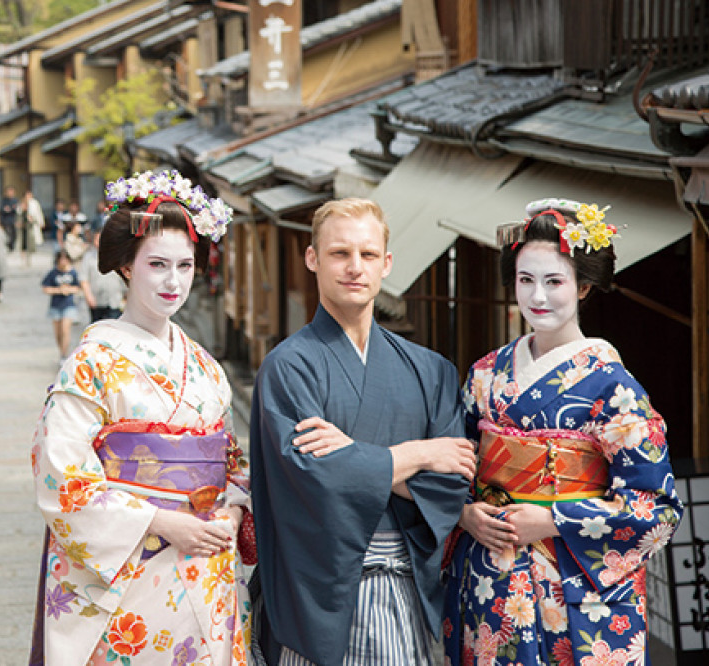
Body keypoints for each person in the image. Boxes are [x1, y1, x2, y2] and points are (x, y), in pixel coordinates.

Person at [441, 198, 684, 665]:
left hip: (570, 590)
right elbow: (455, 464)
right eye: (525, 280)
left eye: (555, 281)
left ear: (584, 286)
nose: (538, 297)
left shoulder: (614, 388)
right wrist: (465, 513)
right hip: (491, 581)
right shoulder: (486, 375)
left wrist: (552, 520)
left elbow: (657, 510)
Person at [29, 169, 250, 665]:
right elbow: (60, 472)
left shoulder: (207, 368)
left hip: (205, 566)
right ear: (127, 266)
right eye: (157, 264)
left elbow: (232, 464)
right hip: (133, 574)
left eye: (186, 266)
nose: (174, 281)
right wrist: (162, 522)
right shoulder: (92, 361)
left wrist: (233, 512)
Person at [249, 197, 477, 666]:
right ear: (312, 258)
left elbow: (452, 484)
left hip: (401, 582)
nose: (355, 267)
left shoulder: (429, 370)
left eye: (368, 255)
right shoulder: (288, 368)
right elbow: (315, 477)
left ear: (386, 263)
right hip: (316, 588)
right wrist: (417, 453)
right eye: (339, 253)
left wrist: (352, 455)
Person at [79, 220, 127, 323]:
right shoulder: (89, 257)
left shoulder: (117, 256)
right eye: (97, 239)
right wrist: (88, 296)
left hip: (114, 300)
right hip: (96, 300)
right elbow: (84, 279)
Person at [41, 250, 81, 363]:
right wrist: (59, 290)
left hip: (69, 305)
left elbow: (78, 287)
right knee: (58, 333)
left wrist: (68, 290)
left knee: (65, 329)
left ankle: (64, 354)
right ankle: (61, 351)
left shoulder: (73, 273)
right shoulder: (53, 273)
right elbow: (45, 288)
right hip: (55, 305)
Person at [21, 189, 45, 267]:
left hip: (32, 226)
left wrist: (41, 222)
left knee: (32, 242)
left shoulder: (34, 203)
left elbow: (38, 213)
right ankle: (24, 260)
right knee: (23, 244)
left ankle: (30, 259)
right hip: (24, 227)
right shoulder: (22, 203)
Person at [0, 186, 19, 251]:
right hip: (5, 221)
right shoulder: (4, 200)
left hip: (13, 220)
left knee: (14, 235)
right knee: (7, 235)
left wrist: (10, 209)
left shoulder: (15, 200)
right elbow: (2, 209)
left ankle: (12, 247)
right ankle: (7, 246)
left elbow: (16, 209)